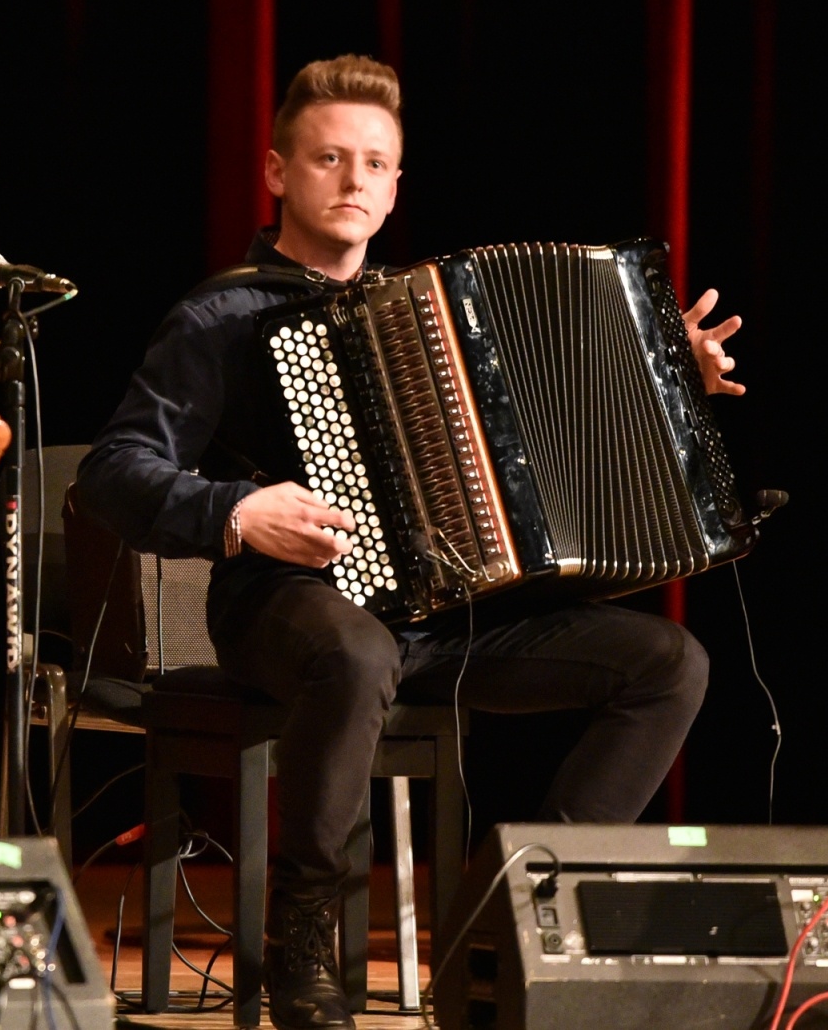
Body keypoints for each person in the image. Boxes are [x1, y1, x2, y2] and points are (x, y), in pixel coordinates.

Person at [76, 54, 743, 1029]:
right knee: (355, 648)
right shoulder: (222, 316)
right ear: (275, 172)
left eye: (373, 164)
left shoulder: (443, 310)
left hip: (449, 613)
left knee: (667, 663)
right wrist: (235, 511)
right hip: (285, 607)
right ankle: (304, 942)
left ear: (394, 187)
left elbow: (562, 426)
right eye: (328, 158)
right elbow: (113, 473)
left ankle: (498, 924)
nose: (351, 181)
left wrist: (662, 380)